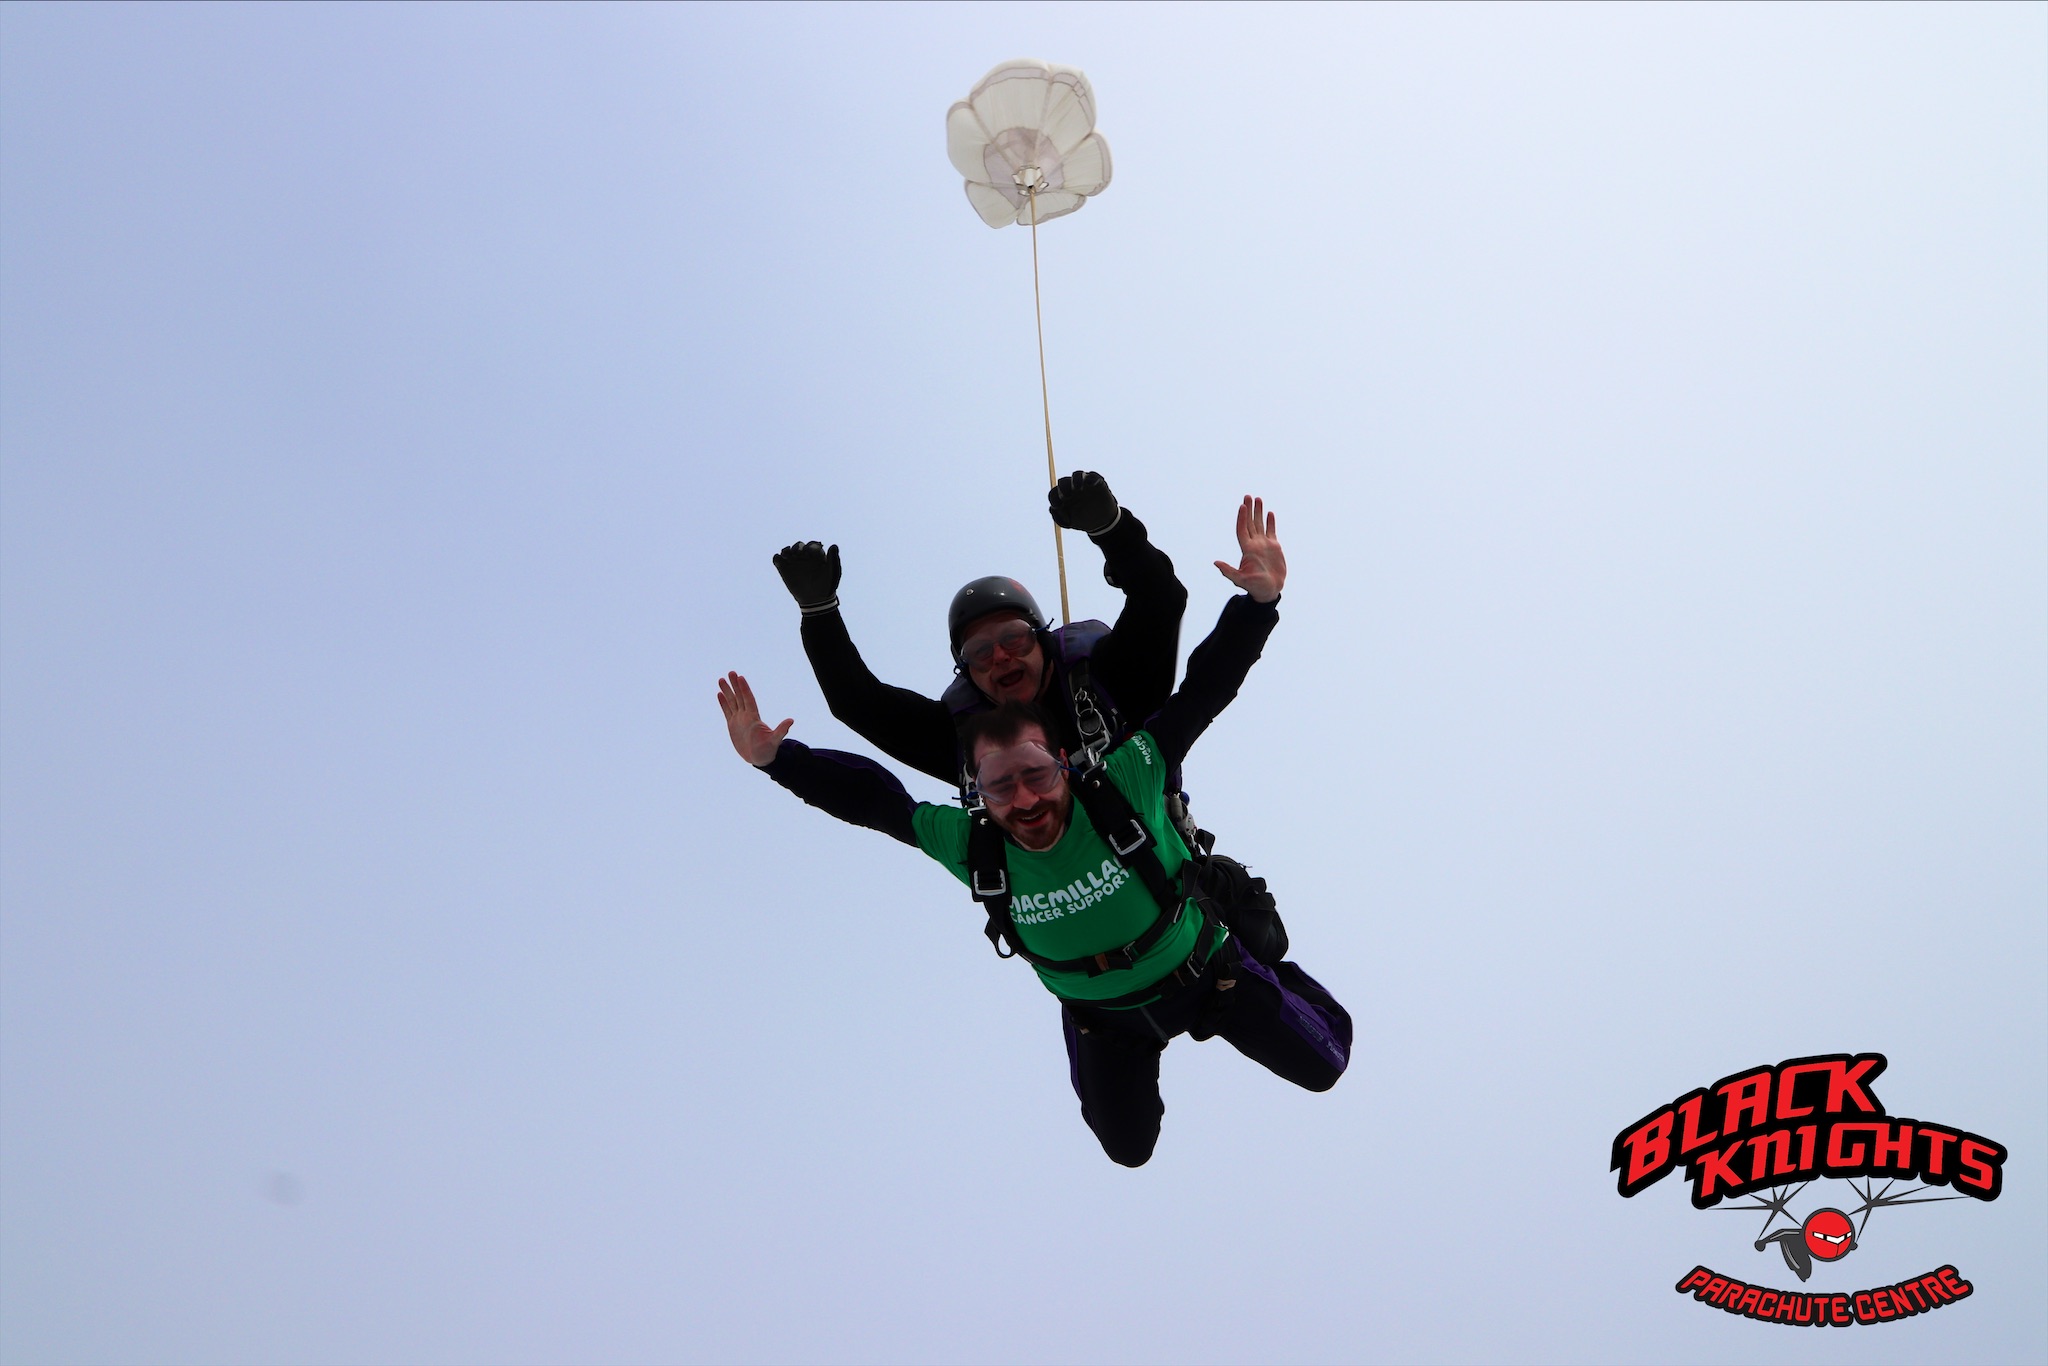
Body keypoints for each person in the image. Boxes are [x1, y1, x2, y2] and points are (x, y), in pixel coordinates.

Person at [719, 499, 1349, 1167]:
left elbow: (1195, 673)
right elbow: (874, 788)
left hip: (1196, 953)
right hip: (1104, 1016)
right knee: (1128, 1148)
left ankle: (1251, 948)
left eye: (1015, 640)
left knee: (1324, 1060)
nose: (1023, 798)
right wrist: (781, 744)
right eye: (979, 653)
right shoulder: (973, 823)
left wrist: (1244, 597)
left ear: (1063, 764)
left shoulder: (1120, 743)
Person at [770, 470, 1188, 784]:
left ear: (1042, 640)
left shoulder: (1111, 682)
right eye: (979, 653)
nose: (1000, 657)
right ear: (965, 672)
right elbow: (858, 703)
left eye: (1014, 638)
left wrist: (1113, 530)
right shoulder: (965, 739)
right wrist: (819, 612)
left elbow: (1161, 599)